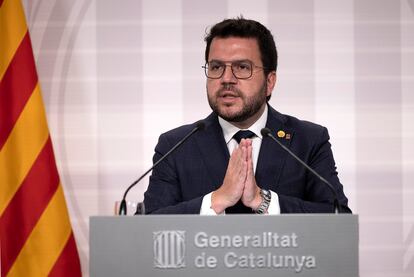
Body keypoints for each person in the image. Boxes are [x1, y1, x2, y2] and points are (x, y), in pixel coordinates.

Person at [143, 17, 351, 215]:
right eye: (216, 67)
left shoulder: (308, 140)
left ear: (269, 82)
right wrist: (216, 200)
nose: (226, 79)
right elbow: (147, 224)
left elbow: (338, 217)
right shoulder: (176, 145)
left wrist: (262, 200)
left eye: (242, 67)